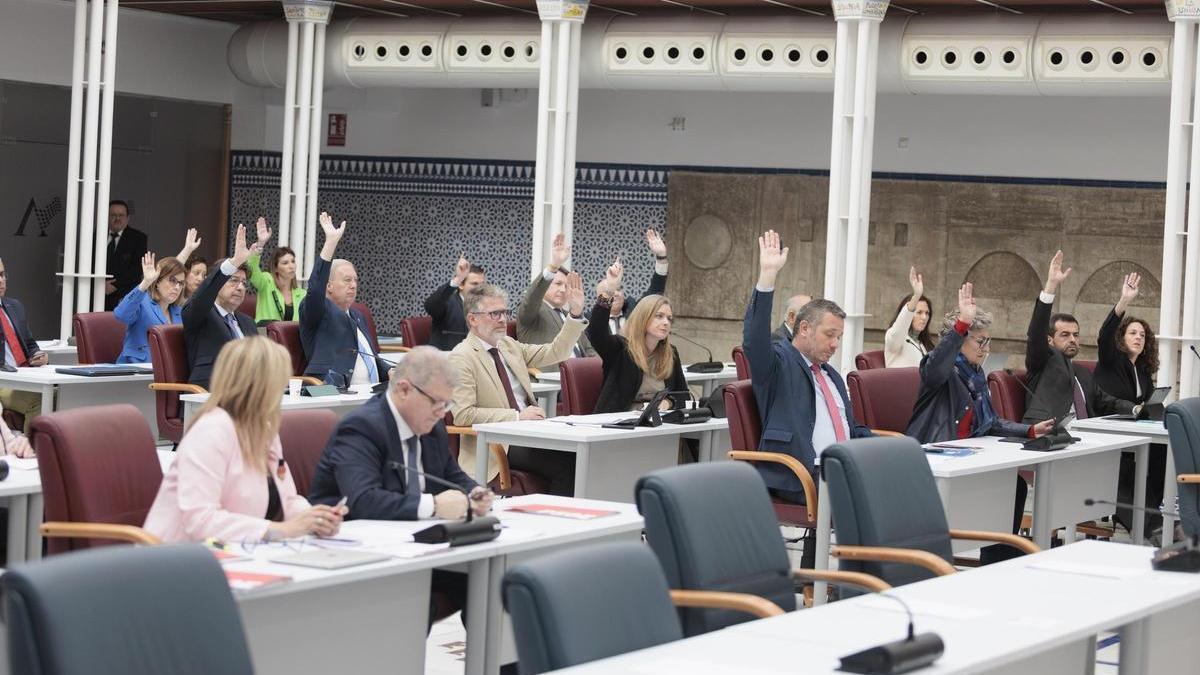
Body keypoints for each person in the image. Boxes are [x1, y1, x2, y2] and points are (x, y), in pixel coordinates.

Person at [308, 346, 493, 629]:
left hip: (416, 547)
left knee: (491, 582)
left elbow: (452, 474)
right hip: (361, 555)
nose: (443, 414)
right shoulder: (361, 428)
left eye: (447, 405)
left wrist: (474, 493)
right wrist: (435, 506)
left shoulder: (431, 425)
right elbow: (363, 501)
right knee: (415, 602)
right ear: (404, 389)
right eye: (437, 403)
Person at [143, 337, 347, 543]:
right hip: (179, 560)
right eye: (279, 382)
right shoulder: (211, 431)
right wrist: (281, 530)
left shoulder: (264, 428)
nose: (281, 391)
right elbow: (200, 520)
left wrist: (314, 518)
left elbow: (286, 499)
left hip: (238, 553)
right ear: (259, 387)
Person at [907, 284, 1055, 563]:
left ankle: (997, 566)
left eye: (988, 341)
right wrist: (962, 322)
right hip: (937, 463)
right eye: (979, 341)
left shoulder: (976, 376)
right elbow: (936, 367)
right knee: (1008, 490)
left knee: (1014, 487)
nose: (986, 349)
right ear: (959, 339)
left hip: (968, 458)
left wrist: (1030, 430)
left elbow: (989, 422)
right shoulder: (938, 370)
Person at [744, 230, 872, 503]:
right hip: (800, 475)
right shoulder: (779, 363)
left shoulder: (832, 376)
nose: (836, 344)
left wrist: (890, 447)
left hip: (842, 471)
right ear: (804, 328)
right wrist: (768, 277)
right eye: (829, 335)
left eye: (839, 337)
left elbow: (850, 428)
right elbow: (754, 341)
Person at [449, 282, 585, 495]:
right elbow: (463, 415)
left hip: (532, 432)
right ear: (472, 319)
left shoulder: (508, 346)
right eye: (494, 314)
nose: (503, 319)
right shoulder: (462, 356)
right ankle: (555, 522)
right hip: (498, 444)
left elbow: (556, 352)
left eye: (504, 312)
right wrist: (517, 416)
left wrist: (575, 314)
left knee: (583, 454)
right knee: (567, 463)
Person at [1023, 250, 1137, 426]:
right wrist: (1051, 285)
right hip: (1049, 433)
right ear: (1049, 340)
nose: (1072, 339)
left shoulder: (1082, 372)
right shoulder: (1042, 362)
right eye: (1065, 334)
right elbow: (1036, 333)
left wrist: (1136, 409)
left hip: (1085, 435)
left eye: (1075, 335)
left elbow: (1108, 402)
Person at [516, 230, 668, 361]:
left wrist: (605, 368)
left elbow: (589, 350)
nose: (563, 290)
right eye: (557, 284)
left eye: (566, 285)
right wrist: (553, 266)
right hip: (553, 382)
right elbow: (532, 299)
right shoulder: (533, 312)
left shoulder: (570, 316)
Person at [1094, 271, 1167, 538]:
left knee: (1163, 453)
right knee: (1129, 466)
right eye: (1132, 333)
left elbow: (1146, 406)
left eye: (1143, 336)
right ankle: (1149, 525)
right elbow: (1104, 335)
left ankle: (1155, 514)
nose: (1138, 338)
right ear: (1121, 338)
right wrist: (1124, 301)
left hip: (1132, 434)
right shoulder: (1111, 360)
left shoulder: (1144, 373)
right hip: (1104, 432)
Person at [299, 213, 391, 387]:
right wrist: (331, 243)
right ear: (329, 286)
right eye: (347, 280)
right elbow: (315, 288)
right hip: (332, 391)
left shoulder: (357, 315)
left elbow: (371, 357)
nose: (354, 285)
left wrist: (389, 371)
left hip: (371, 394)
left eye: (356, 280)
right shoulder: (318, 310)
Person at [588, 258, 688, 414]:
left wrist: (668, 403)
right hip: (620, 422)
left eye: (669, 318)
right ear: (644, 318)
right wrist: (608, 291)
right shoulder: (621, 349)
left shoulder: (671, 353)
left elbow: (684, 396)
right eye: (659, 316)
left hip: (658, 421)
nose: (666, 323)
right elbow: (596, 332)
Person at [182, 223, 258, 390]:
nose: (240, 287)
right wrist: (234, 262)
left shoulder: (248, 323)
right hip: (211, 395)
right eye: (233, 280)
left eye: (244, 283)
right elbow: (203, 295)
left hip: (249, 395)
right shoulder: (201, 314)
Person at [0, 259, 48, 432]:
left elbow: (29, 344)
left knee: (68, 393)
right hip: (5, 382)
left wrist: (40, 356)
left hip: (29, 375)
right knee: (40, 398)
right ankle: (31, 451)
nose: (1, 280)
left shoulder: (15, 306)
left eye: (2, 274)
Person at [113, 252, 185, 363]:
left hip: (168, 371)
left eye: (180, 283)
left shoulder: (180, 312)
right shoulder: (141, 302)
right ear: (157, 281)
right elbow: (121, 315)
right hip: (136, 370)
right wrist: (145, 283)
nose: (177, 287)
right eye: (172, 280)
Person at [248, 217, 306, 325]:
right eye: (285, 263)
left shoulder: (302, 294)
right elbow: (251, 270)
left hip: (290, 340)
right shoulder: (267, 282)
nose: (291, 266)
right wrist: (260, 244)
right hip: (266, 337)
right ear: (275, 268)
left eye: (293, 261)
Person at [425, 255, 485, 350]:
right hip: (446, 358)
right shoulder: (447, 302)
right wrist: (458, 278)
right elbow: (430, 306)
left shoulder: (485, 307)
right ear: (461, 284)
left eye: (482, 285)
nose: (480, 289)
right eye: (474, 284)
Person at [884, 266, 936, 367]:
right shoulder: (894, 338)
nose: (924, 317)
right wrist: (916, 297)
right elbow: (901, 325)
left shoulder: (923, 343)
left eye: (927, 313)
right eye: (919, 312)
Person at [104, 200, 149, 311]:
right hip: (97, 296)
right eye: (113, 215)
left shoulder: (138, 238)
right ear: (107, 216)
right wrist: (99, 285)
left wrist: (115, 286)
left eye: (121, 215)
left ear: (128, 218)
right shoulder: (96, 236)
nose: (117, 218)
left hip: (124, 297)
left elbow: (138, 269)